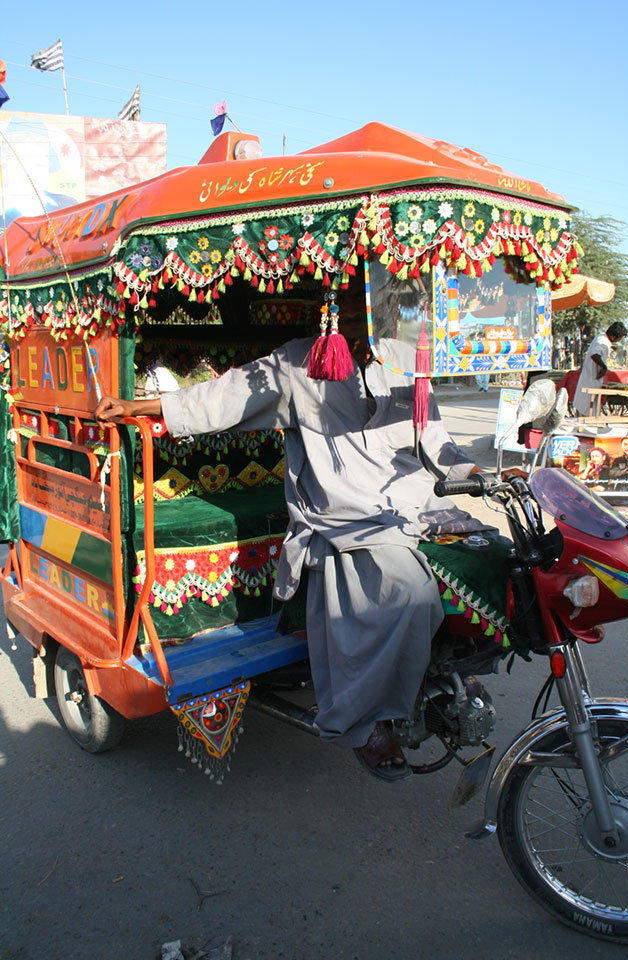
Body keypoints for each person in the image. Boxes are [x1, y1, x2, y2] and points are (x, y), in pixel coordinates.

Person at [95, 275, 492, 783]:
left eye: (366, 305)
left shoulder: (406, 362)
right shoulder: (299, 363)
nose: (356, 316)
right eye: (346, 306)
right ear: (330, 310)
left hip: (413, 508)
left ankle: (445, 676)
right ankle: (363, 718)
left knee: (493, 563)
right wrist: (145, 407)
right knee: (408, 590)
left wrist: (477, 476)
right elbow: (225, 396)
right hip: (348, 517)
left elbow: (438, 444)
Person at [574, 322, 627, 416]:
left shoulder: (602, 338)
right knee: (586, 408)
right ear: (614, 336)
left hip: (592, 378)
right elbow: (594, 355)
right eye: (619, 338)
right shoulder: (602, 341)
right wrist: (604, 367)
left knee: (590, 407)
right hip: (590, 379)